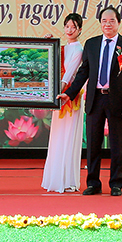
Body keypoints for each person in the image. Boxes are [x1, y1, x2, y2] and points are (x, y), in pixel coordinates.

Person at [58, 6, 122, 196]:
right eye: (104, 21)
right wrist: (69, 93)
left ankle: (116, 184)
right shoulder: (92, 44)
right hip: (95, 98)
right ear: (100, 23)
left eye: (112, 21)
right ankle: (93, 183)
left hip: (117, 100)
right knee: (93, 143)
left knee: (117, 144)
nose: (107, 24)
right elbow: (83, 72)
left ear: (118, 23)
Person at [42, 12, 84, 193]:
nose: (69, 30)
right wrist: (46, 45)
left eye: (73, 27)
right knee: (58, 136)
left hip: (70, 97)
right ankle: (56, 179)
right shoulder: (61, 48)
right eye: (67, 26)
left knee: (69, 137)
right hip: (59, 96)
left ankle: (68, 180)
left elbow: (68, 75)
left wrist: (57, 91)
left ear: (79, 30)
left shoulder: (78, 50)